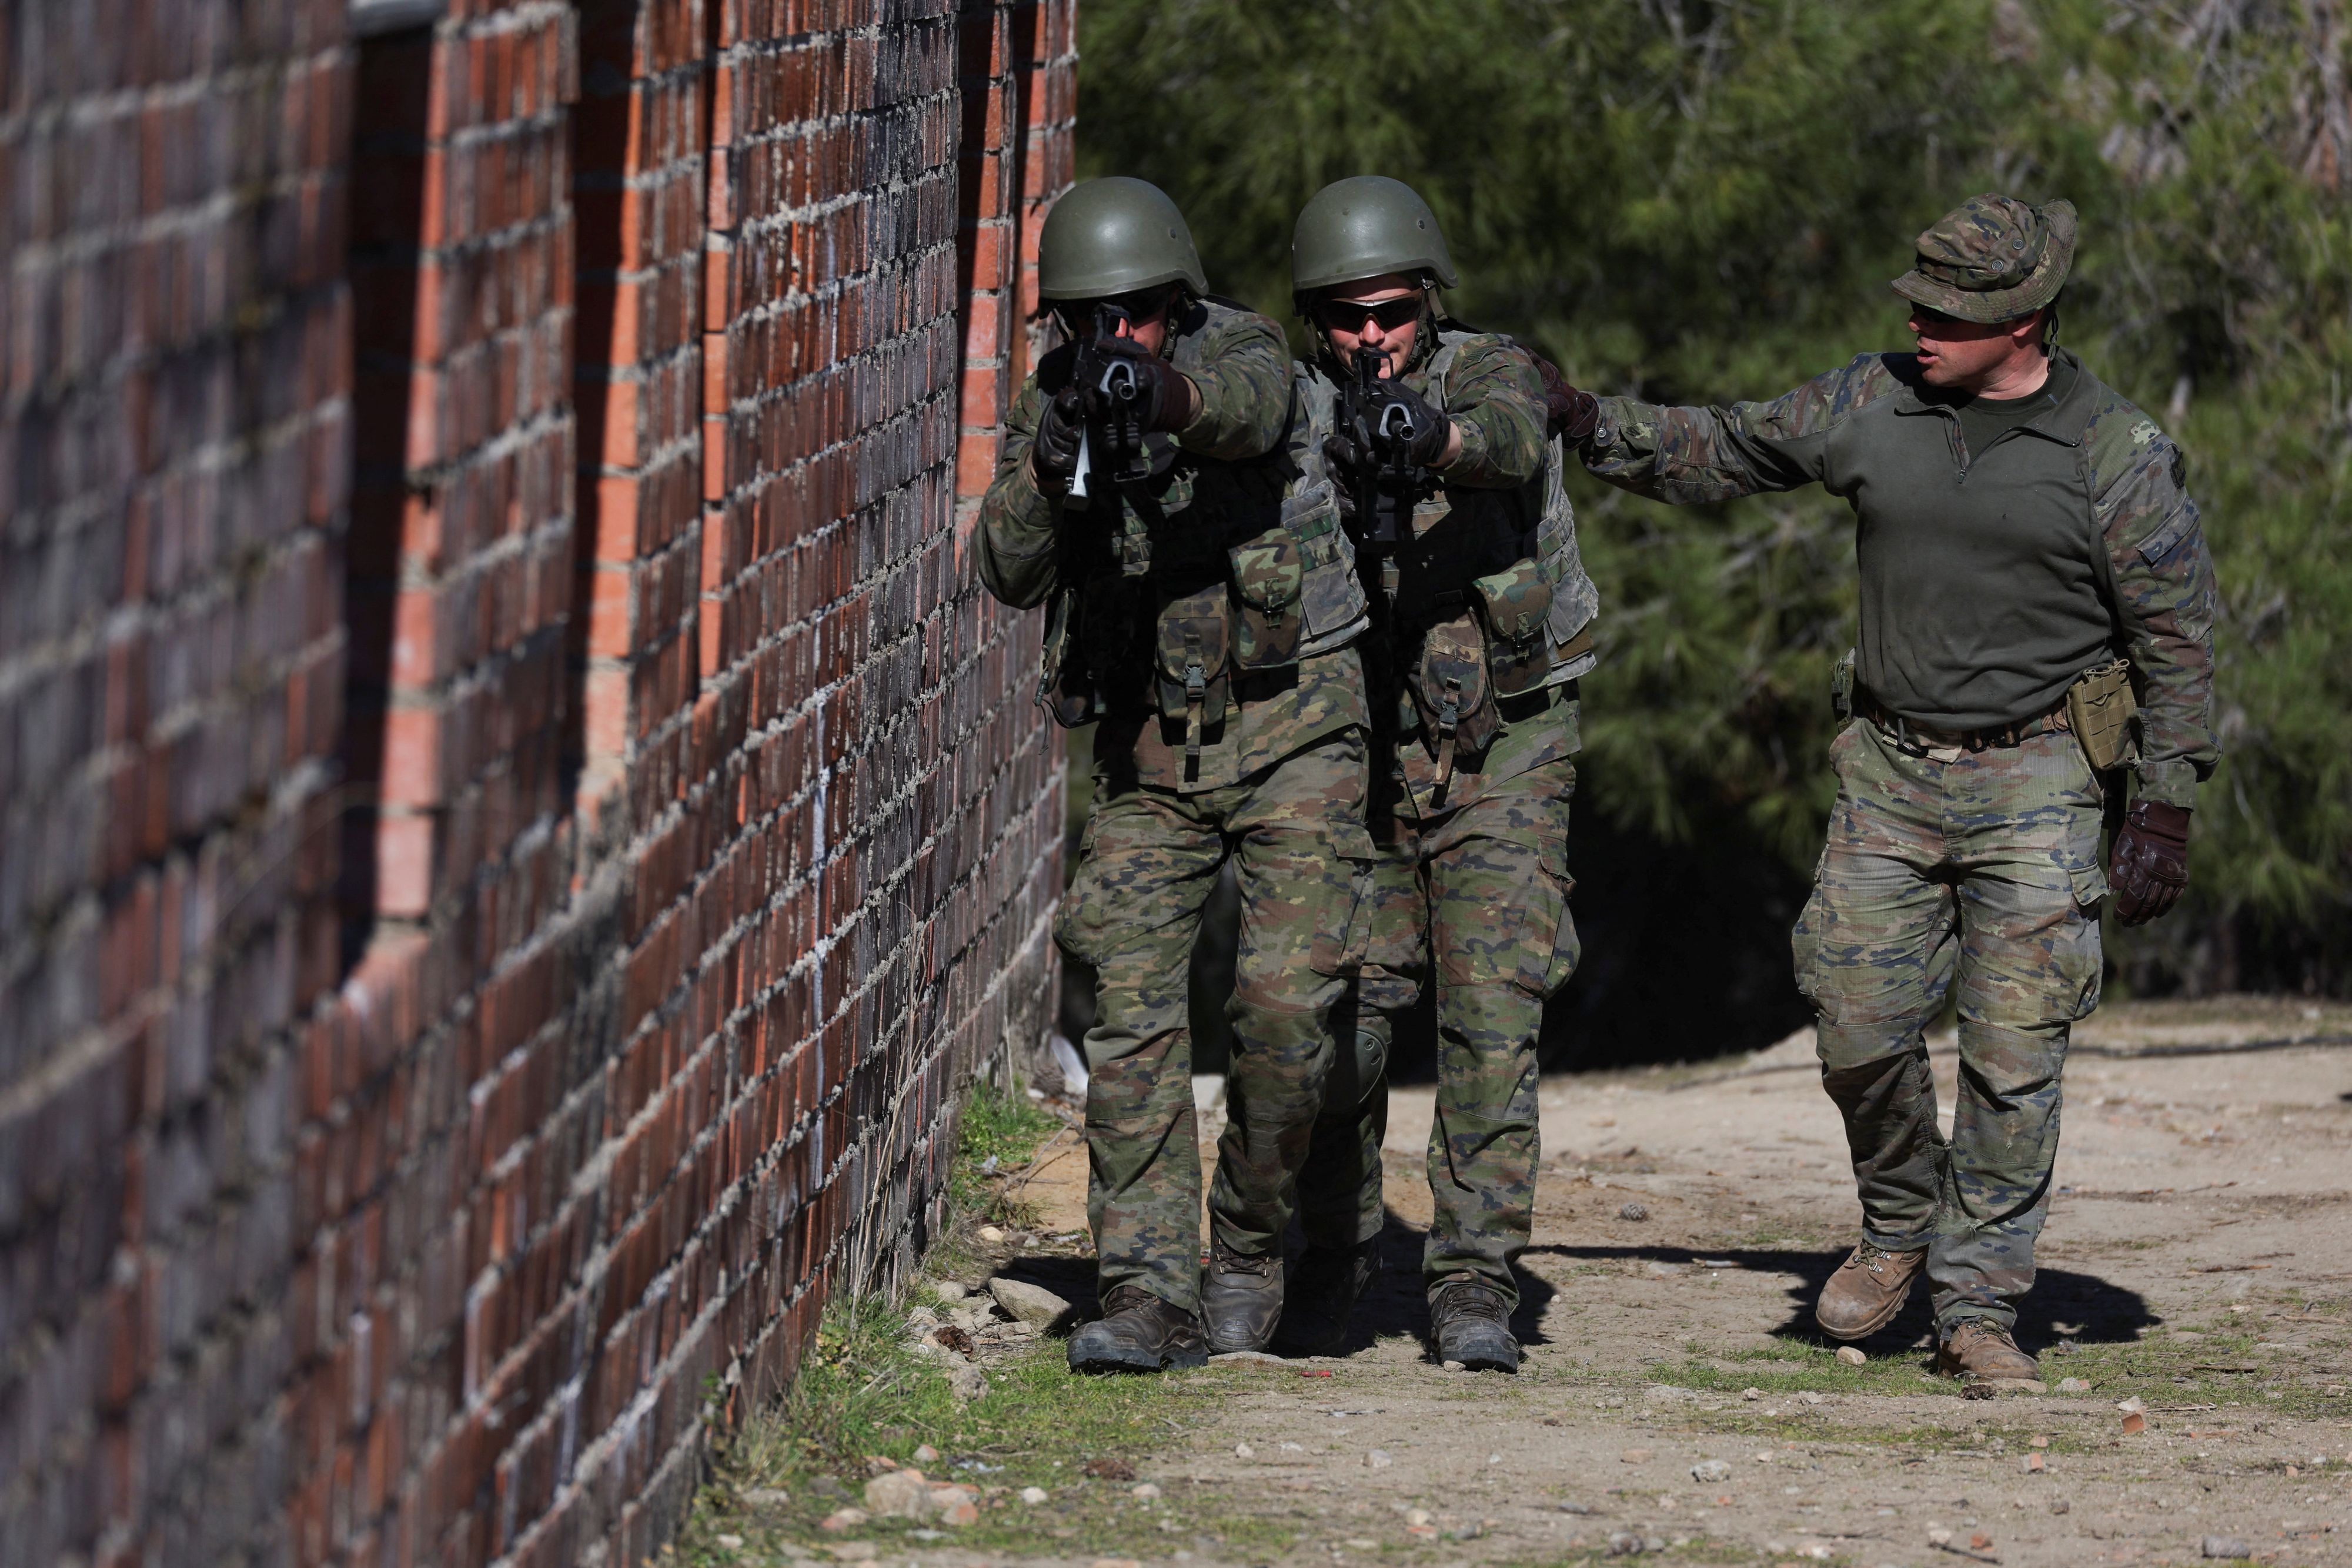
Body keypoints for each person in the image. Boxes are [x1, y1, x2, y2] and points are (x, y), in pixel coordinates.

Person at [1554, 193, 2219, 1383]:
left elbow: (2175, 638)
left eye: (1947, 311)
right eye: (1913, 302)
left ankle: (1976, 1303)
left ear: (2024, 322)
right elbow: (1725, 445)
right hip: (1887, 768)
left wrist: (2161, 807)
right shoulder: (1872, 401)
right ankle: (1900, 1219)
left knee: (2013, 1057)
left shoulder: (2111, 454)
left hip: (2038, 775)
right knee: (1855, 1026)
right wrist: (1581, 419)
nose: (1918, 323)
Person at [974, 176, 1378, 1372]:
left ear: (1176, 304)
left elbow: (1250, 414)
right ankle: (1147, 1288)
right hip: (1151, 755)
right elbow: (1002, 569)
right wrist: (1052, 465)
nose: (1112, 341)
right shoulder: (1053, 404)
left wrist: (1164, 395)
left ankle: (1251, 1243)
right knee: (1131, 1011)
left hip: (1296, 726)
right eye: (1087, 322)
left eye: (1137, 316)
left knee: (1286, 1011)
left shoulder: (1238, 349)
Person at [1279, 176, 1598, 1373]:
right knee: (1339, 1019)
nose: (1373, 338)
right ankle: (1333, 1248)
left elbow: (1515, 430)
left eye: (1392, 312)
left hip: (1500, 741)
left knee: (1488, 1013)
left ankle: (1473, 1276)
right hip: (1349, 743)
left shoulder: (1488, 370)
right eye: (1348, 316)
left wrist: (1433, 439)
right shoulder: (1298, 402)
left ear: (1427, 303)